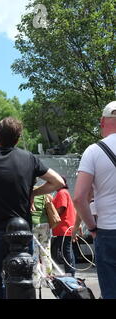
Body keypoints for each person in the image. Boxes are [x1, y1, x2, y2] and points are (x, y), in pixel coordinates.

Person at [0, 117, 64, 299]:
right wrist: (33, 192)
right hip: (23, 232)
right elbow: (58, 182)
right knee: (22, 278)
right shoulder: (29, 158)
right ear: (18, 138)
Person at [73, 101, 116, 299]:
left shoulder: (93, 151)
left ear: (102, 122)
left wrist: (92, 228)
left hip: (108, 232)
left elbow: (80, 197)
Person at [51, 176, 77, 276]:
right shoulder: (64, 192)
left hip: (64, 228)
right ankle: (71, 273)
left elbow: (61, 208)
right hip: (66, 227)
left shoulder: (61, 193)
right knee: (67, 251)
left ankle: (70, 274)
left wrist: (51, 214)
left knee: (66, 251)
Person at [31, 193, 54, 289]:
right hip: (45, 224)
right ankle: (48, 280)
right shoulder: (44, 192)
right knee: (46, 253)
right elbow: (51, 199)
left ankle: (36, 281)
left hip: (33, 224)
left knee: (35, 254)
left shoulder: (29, 192)